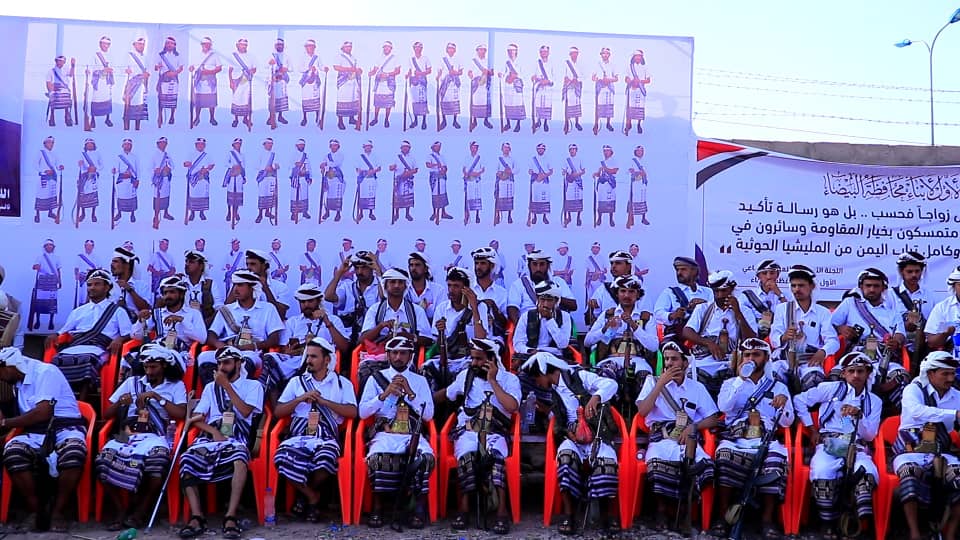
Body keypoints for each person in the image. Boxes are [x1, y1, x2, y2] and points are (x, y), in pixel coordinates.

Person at [520, 352, 619, 535]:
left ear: (544, 372)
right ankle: (569, 513)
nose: (537, 383)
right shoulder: (554, 391)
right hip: (572, 437)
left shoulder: (579, 376)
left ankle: (607, 515)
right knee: (565, 456)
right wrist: (546, 412)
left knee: (606, 461)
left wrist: (596, 397)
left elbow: (611, 384)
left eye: (537, 378)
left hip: (596, 434)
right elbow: (560, 418)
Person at [97, 344, 187, 530]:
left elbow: (181, 413)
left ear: (164, 366)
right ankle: (121, 510)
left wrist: (156, 397)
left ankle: (140, 511)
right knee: (103, 460)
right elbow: (106, 414)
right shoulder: (132, 382)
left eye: (153, 367)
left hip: (157, 434)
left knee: (157, 464)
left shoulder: (176, 385)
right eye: (146, 367)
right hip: (127, 433)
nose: (149, 371)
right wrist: (121, 403)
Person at [434, 338, 520, 534]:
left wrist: (493, 381)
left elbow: (512, 407)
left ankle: (502, 512)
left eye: (479, 359)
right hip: (468, 432)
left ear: (492, 360)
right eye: (472, 358)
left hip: (495, 433)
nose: (474, 363)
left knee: (496, 459)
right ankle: (464, 509)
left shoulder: (510, 380)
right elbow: (446, 394)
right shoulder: (466, 376)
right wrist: (421, 398)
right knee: (467, 457)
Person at [712, 338, 795, 539]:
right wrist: (740, 380)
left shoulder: (778, 387)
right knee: (724, 455)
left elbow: (787, 422)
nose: (750, 358)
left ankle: (767, 519)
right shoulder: (730, 383)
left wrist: (783, 405)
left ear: (765, 358)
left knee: (776, 461)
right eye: (747, 355)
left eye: (756, 355)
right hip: (736, 439)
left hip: (766, 439)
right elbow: (724, 407)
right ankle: (723, 516)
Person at [178, 347, 264, 540]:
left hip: (238, 435)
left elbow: (246, 411)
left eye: (226, 363)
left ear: (238, 363)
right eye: (219, 363)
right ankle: (197, 517)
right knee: (187, 459)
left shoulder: (253, 385)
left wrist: (226, 386)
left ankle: (230, 516)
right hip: (211, 435)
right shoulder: (210, 387)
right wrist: (213, 432)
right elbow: (197, 418)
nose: (222, 367)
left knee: (240, 459)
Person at [0, 347, 89, 533]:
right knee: (13, 452)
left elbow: (43, 413)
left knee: (73, 452)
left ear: (9, 367)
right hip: (35, 432)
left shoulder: (45, 372)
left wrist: (5, 423)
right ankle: (36, 511)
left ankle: (58, 511)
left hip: (65, 427)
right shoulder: (16, 381)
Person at [793, 351, 881, 539]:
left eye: (861, 371)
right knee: (822, 469)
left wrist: (859, 416)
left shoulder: (874, 401)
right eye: (851, 371)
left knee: (867, 471)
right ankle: (828, 523)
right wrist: (812, 428)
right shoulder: (830, 389)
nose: (856, 375)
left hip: (856, 446)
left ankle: (855, 522)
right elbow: (799, 400)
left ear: (868, 373)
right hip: (829, 444)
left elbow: (870, 435)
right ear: (843, 373)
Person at [635, 341, 720, 531]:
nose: (669, 363)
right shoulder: (652, 381)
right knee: (657, 463)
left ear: (685, 362)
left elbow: (713, 418)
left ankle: (683, 511)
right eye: (666, 359)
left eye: (674, 359)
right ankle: (661, 511)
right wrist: (660, 384)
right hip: (661, 437)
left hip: (686, 438)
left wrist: (694, 427)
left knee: (702, 466)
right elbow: (643, 411)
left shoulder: (696, 387)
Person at [274, 337, 357, 522]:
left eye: (313, 357)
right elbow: (278, 411)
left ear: (327, 360)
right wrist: (299, 399)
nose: (308, 360)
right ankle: (312, 496)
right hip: (299, 434)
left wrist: (324, 402)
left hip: (326, 435)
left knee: (325, 460)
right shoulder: (297, 382)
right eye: (308, 356)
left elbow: (353, 412)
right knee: (282, 457)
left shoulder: (342, 383)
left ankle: (304, 495)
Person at [359, 336, 435, 529]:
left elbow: (428, 415)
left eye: (403, 353)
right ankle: (378, 507)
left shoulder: (419, 381)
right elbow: (363, 412)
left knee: (425, 458)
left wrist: (410, 393)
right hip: (385, 434)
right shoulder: (375, 379)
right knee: (377, 458)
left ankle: (418, 509)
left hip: (411, 434)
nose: (398, 357)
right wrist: (384, 394)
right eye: (394, 353)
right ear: (388, 355)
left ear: (410, 356)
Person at [893, 351, 960, 540]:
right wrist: (953, 414)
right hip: (910, 450)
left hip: (942, 451)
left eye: (952, 374)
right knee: (909, 472)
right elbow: (917, 412)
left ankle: (950, 533)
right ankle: (914, 532)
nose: (950, 379)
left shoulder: (957, 396)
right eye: (945, 374)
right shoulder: (913, 390)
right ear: (930, 374)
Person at [830, 268, 908, 413]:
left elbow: (900, 334)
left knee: (900, 377)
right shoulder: (850, 303)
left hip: (883, 357)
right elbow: (831, 324)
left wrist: (895, 341)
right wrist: (842, 329)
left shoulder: (892, 312)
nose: (872, 289)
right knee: (836, 375)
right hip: (855, 356)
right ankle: (843, 418)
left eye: (876, 286)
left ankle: (889, 416)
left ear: (883, 288)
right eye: (868, 285)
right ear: (861, 287)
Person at [260, 283, 349, 406]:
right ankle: (276, 408)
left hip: (321, 362)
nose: (306, 305)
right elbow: (284, 350)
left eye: (310, 301)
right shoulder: (293, 322)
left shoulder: (333, 320)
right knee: (269, 359)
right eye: (302, 302)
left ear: (319, 301)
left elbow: (344, 348)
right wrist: (291, 351)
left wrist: (327, 321)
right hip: (295, 361)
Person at [47, 269, 131, 397]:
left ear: (107, 288)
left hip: (101, 348)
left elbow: (128, 333)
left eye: (97, 284)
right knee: (57, 360)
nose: (92, 288)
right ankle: (58, 399)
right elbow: (63, 331)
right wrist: (55, 335)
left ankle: (82, 401)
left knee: (88, 359)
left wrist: (119, 339)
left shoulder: (118, 311)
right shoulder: (78, 311)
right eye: (89, 285)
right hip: (77, 346)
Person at [197, 269, 284, 385]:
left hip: (252, 352)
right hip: (227, 349)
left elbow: (274, 339)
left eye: (240, 285)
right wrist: (220, 345)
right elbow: (211, 335)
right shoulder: (226, 309)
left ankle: (237, 393)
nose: (235, 289)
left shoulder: (268, 308)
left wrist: (252, 346)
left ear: (252, 288)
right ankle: (215, 391)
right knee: (204, 356)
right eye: (234, 285)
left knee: (245, 361)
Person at [585, 275, 658, 412]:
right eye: (623, 291)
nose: (626, 295)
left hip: (638, 361)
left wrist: (634, 326)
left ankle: (640, 418)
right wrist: (606, 328)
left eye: (631, 292)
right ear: (617, 294)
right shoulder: (607, 315)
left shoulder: (646, 317)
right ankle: (608, 417)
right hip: (611, 359)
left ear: (638, 294)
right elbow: (587, 342)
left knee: (644, 379)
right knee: (605, 376)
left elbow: (653, 346)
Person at [682, 270, 758, 398]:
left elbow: (752, 340)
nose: (719, 295)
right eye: (716, 291)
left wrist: (738, 313)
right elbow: (687, 331)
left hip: (732, 363)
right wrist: (709, 343)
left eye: (723, 291)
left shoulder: (745, 311)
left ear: (732, 290)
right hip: (703, 362)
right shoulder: (703, 308)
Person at [769, 264, 840, 392]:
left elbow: (833, 341)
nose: (797, 289)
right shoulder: (782, 309)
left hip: (810, 361)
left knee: (814, 381)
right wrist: (784, 337)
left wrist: (823, 352)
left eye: (801, 285)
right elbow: (774, 338)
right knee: (772, 378)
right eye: (794, 286)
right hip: (784, 360)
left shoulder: (822, 312)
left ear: (811, 286)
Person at [422, 268, 490, 392]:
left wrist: (474, 308)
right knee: (427, 369)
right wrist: (441, 332)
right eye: (449, 285)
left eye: (456, 286)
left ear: (466, 288)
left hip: (470, 358)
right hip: (447, 357)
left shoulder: (480, 307)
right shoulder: (442, 308)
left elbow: (481, 339)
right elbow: (438, 344)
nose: (451, 290)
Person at [359, 268, 433, 352]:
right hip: (380, 355)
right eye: (393, 282)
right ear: (385, 286)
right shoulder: (375, 309)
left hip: (409, 356)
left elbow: (428, 340)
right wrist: (381, 326)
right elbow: (362, 340)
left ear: (405, 286)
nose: (397, 285)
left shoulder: (417, 310)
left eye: (400, 282)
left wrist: (407, 336)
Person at [512, 281, 573, 371]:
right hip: (532, 356)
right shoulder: (526, 316)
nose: (545, 304)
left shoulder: (565, 317)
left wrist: (550, 320)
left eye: (549, 300)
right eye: (542, 300)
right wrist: (530, 350)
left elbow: (563, 344)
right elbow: (518, 343)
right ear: (538, 299)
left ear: (556, 301)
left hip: (555, 357)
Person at [324, 251, 381, 346]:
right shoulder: (348, 286)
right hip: (348, 339)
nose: (359, 272)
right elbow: (328, 297)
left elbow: (386, 298)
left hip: (372, 339)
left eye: (364, 268)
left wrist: (378, 271)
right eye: (357, 268)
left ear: (371, 268)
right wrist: (340, 273)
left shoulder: (380, 287)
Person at [654, 256, 714, 345]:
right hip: (677, 337)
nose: (679, 273)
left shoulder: (708, 292)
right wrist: (672, 315)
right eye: (677, 270)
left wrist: (703, 305)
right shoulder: (669, 292)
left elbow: (716, 311)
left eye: (683, 269)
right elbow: (658, 314)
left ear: (694, 271)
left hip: (704, 336)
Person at [507, 249, 577, 324]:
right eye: (535, 264)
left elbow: (573, 306)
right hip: (529, 325)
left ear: (548, 266)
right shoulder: (519, 284)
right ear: (529, 266)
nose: (538, 268)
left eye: (542, 264)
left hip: (555, 325)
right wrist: (520, 326)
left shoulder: (558, 282)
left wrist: (554, 296)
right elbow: (512, 307)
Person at [889, 252, 934, 362]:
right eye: (909, 271)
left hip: (924, 349)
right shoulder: (890, 295)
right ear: (901, 271)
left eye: (917, 271)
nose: (914, 275)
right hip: (898, 349)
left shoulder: (930, 295)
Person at [585, 249, 639, 325]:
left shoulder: (640, 289)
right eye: (612, 263)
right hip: (608, 331)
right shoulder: (603, 289)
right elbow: (589, 318)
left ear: (628, 266)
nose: (613, 266)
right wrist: (592, 308)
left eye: (618, 263)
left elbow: (645, 318)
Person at [471, 246, 509, 339]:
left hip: (494, 341)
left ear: (492, 265)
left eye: (483, 263)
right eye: (476, 263)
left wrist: (494, 307)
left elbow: (506, 324)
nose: (478, 267)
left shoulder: (502, 293)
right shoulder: (467, 290)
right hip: (469, 341)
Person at [924, 265, 960, 354]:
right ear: (953, 286)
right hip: (951, 357)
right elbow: (931, 343)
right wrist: (945, 334)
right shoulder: (942, 308)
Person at [183, 249, 223, 328]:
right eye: (186, 261)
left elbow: (219, 307)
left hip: (206, 326)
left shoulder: (210, 284)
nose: (187, 264)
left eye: (191, 262)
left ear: (201, 266)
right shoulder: (180, 284)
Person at [109, 246, 151, 318]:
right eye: (112, 261)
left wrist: (130, 290)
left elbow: (145, 309)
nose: (111, 265)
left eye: (115, 261)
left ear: (127, 265)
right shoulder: (109, 286)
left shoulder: (141, 286)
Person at [189, 37, 222, 127]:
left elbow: (219, 68)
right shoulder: (197, 55)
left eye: (208, 44)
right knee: (198, 101)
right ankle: (197, 118)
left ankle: (212, 118)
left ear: (210, 45)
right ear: (201, 45)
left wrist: (209, 72)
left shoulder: (215, 56)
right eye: (204, 44)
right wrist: (191, 68)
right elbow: (192, 66)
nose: (206, 46)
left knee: (211, 101)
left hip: (210, 81)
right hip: (199, 81)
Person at [30, 239, 62, 331]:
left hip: (52, 280)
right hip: (42, 280)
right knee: (39, 301)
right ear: (44, 247)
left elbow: (58, 270)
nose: (49, 246)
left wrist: (60, 281)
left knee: (52, 302)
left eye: (50, 245)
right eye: (47, 245)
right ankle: (38, 321)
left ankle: (51, 322)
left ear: (53, 247)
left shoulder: (57, 258)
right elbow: (34, 266)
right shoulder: (40, 257)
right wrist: (36, 267)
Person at [368, 41, 400, 128]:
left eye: (388, 47)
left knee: (388, 103)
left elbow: (398, 71)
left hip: (389, 83)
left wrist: (387, 74)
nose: (386, 48)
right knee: (377, 103)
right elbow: (375, 69)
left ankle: (386, 120)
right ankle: (375, 119)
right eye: (384, 47)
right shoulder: (379, 58)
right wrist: (371, 73)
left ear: (391, 48)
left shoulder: (395, 58)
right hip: (379, 83)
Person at [296, 39, 327, 126]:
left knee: (316, 100)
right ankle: (304, 118)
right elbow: (300, 68)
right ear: (306, 48)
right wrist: (308, 68)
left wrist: (324, 68)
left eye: (312, 47)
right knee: (305, 100)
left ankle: (317, 117)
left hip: (315, 81)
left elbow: (321, 66)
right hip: (306, 81)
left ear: (314, 47)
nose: (310, 48)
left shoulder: (317, 57)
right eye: (308, 47)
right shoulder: (302, 57)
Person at [122, 37, 150, 131]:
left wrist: (146, 75)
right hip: (131, 85)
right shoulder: (129, 56)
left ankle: (137, 129)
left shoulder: (145, 57)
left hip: (141, 86)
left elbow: (148, 71)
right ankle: (126, 129)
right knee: (128, 107)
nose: (142, 46)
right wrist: (126, 70)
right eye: (139, 44)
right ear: (134, 44)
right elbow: (122, 69)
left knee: (139, 107)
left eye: (143, 44)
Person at [154, 36, 183, 127]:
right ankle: (160, 116)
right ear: (165, 45)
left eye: (171, 43)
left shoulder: (178, 55)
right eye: (168, 43)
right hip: (163, 79)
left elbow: (181, 68)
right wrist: (157, 67)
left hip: (174, 79)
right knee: (161, 99)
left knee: (173, 99)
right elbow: (155, 67)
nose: (169, 45)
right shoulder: (160, 55)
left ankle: (172, 116)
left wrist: (174, 73)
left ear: (174, 45)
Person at [227, 38, 256, 129]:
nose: (243, 46)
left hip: (246, 80)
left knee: (246, 99)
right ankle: (236, 119)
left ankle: (245, 118)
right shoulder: (233, 56)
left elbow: (254, 68)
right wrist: (231, 81)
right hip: (236, 79)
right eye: (242, 45)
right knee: (236, 99)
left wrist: (251, 71)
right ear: (237, 45)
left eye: (245, 45)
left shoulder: (251, 56)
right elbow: (230, 70)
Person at [88, 36, 116, 128]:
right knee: (96, 98)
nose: (105, 45)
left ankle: (107, 118)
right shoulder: (95, 55)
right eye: (104, 43)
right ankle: (93, 120)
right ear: (100, 44)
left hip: (107, 81)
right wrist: (102, 70)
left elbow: (114, 67)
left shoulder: (111, 56)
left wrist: (110, 70)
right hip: (98, 81)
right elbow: (92, 68)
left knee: (107, 98)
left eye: (107, 44)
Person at [34, 136, 64, 223]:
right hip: (43, 178)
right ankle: (37, 215)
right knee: (41, 196)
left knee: (51, 195)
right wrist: (44, 171)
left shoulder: (54, 154)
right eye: (49, 142)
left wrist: (60, 166)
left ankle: (50, 213)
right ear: (45, 143)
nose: (51, 144)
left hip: (53, 178)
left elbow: (57, 164)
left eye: (52, 142)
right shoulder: (40, 153)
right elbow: (35, 164)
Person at [333, 41, 362, 130]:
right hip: (343, 82)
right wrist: (350, 69)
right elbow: (336, 67)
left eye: (350, 47)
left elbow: (356, 68)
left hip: (353, 81)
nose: (349, 48)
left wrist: (359, 70)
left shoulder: (353, 57)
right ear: (343, 48)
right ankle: (340, 121)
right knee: (343, 99)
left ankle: (351, 119)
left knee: (353, 99)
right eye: (347, 47)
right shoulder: (339, 56)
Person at [183, 137, 212, 222]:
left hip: (203, 178)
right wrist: (187, 164)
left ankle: (202, 213)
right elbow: (185, 163)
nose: (201, 146)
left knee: (203, 195)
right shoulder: (191, 154)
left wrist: (206, 169)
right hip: (194, 179)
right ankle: (192, 213)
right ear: (196, 145)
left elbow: (212, 165)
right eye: (199, 144)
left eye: (202, 145)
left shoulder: (207, 155)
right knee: (193, 195)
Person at [388, 141, 418, 224]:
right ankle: (396, 214)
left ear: (409, 148)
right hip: (399, 180)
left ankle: (407, 214)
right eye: (404, 147)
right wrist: (392, 167)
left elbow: (416, 169)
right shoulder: (396, 157)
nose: (405, 149)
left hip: (408, 180)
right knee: (397, 198)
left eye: (407, 147)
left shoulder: (412, 158)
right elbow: (390, 168)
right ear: (401, 148)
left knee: (408, 198)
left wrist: (409, 173)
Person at [150, 136, 175, 228]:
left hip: (166, 179)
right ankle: (156, 216)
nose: (163, 145)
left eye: (165, 144)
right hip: (158, 180)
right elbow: (149, 168)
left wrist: (169, 168)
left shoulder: (168, 155)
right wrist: (155, 171)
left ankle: (166, 213)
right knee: (157, 198)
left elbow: (173, 166)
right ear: (158, 144)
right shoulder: (154, 156)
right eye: (161, 143)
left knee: (166, 196)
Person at [591, 47, 618, 134]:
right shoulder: (597, 64)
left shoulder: (613, 65)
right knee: (598, 107)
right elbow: (593, 77)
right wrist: (599, 79)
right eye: (603, 53)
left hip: (609, 88)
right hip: (600, 88)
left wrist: (609, 80)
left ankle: (608, 123)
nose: (605, 55)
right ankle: (596, 124)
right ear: (601, 55)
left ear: (609, 55)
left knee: (609, 106)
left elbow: (616, 78)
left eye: (607, 53)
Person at [406, 252, 439, 322]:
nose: (413, 268)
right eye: (411, 265)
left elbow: (441, 317)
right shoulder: (404, 289)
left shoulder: (438, 290)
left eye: (417, 265)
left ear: (426, 269)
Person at [468, 43, 494, 131]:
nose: (482, 51)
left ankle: (486, 121)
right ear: (477, 51)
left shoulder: (488, 61)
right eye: (480, 50)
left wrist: (488, 72)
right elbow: (469, 72)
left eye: (483, 50)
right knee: (475, 102)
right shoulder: (473, 61)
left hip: (485, 85)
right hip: (476, 84)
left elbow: (492, 73)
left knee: (485, 103)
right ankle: (474, 121)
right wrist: (471, 75)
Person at [76, 138, 104, 224]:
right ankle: (83, 214)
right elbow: (80, 165)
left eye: (91, 144)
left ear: (94, 145)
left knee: (93, 195)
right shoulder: (82, 154)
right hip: (84, 176)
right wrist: (81, 165)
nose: (90, 145)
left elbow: (102, 165)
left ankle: (93, 214)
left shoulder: (98, 154)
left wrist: (95, 168)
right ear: (85, 145)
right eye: (88, 144)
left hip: (93, 177)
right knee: (83, 195)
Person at [623, 50, 650, 135]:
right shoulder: (629, 67)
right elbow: (626, 78)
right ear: (633, 57)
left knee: (640, 108)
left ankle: (639, 125)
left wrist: (639, 81)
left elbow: (648, 80)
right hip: (631, 89)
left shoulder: (645, 67)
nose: (638, 58)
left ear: (642, 57)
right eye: (636, 56)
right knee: (630, 107)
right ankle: (629, 124)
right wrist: (630, 80)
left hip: (640, 90)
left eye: (639, 56)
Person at [437, 42, 463, 130]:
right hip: (445, 83)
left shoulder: (458, 59)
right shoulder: (442, 59)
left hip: (454, 83)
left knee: (455, 101)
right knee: (444, 101)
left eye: (452, 48)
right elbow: (440, 71)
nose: (451, 50)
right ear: (447, 50)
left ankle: (455, 121)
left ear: (455, 50)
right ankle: (444, 121)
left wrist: (455, 72)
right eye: (449, 48)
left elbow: (461, 72)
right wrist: (437, 76)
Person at [266, 38, 290, 127]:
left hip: (282, 81)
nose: (279, 46)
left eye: (281, 45)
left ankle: (280, 116)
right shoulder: (271, 55)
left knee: (281, 98)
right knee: (272, 98)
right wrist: (270, 63)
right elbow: (265, 66)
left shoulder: (286, 56)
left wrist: (285, 69)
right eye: (278, 45)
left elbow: (290, 68)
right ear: (275, 46)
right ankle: (271, 117)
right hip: (272, 80)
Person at [319, 139, 346, 222]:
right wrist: (322, 166)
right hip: (328, 177)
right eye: (332, 145)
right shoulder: (326, 156)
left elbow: (336, 164)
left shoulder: (340, 155)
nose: (333, 147)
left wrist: (326, 164)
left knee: (337, 195)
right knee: (328, 195)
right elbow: (323, 163)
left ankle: (338, 214)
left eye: (335, 145)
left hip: (337, 178)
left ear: (338, 147)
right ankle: (327, 212)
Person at [501, 44, 525, 133]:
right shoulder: (506, 62)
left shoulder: (520, 62)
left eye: (513, 50)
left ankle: (518, 125)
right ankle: (508, 124)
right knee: (508, 104)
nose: (511, 52)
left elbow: (523, 74)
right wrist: (501, 74)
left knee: (518, 104)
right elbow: (503, 72)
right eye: (509, 51)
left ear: (516, 51)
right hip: (508, 86)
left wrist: (515, 77)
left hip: (517, 86)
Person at [254, 138, 279, 225]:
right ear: (264, 144)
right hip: (263, 177)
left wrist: (273, 167)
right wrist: (265, 168)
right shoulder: (260, 154)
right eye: (268, 143)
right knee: (262, 194)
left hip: (271, 177)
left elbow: (277, 165)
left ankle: (268, 212)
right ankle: (260, 214)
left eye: (271, 144)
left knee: (270, 194)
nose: (270, 145)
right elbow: (256, 165)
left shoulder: (274, 154)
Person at [354, 140, 381, 222]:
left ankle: (371, 213)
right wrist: (360, 171)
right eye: (366, 146)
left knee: (371, 195)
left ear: (371, 147)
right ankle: (361, 213)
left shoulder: (375, 156)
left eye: (369, 146)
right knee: (362, 195)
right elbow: (357, 168)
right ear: (364, 147)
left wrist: (373, 171)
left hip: (371, 178)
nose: (367, 148)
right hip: (363, 179)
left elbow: (379, 168)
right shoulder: (360, 156)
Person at [407, 41, 432, 130]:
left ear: (421, 49)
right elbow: (410, 70)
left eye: (419, 47)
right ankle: (415, 120)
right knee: (415, 101)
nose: (417, 49)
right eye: (416, 47)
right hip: (414, 82)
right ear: (414, 49)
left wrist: (421, 73)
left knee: (423, 101)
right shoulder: (411, 59)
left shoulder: (425, 58)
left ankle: (424, 121)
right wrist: (407, 75)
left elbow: (429, 70)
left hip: (422, 82)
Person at [222, 138, 247, 225]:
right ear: (233, 145)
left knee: (238, 194)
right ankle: (229, 212)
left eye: (240, 144)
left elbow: (244, 166)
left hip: (239, 175)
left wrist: (242, 174)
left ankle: (236, 212)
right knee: (231, 193)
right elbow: (225, 163)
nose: (238, 145)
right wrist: (233, 166)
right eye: (237, 144)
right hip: (232, 174)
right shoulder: (230, 153)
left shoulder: (242, 155)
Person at [425, 141, 452, 221]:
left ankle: (443, 212)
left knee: (443, 194)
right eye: (437, 146)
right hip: (434, 177)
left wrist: (444, 170)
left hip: (442, 176)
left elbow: (445, 166)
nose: (438, 148)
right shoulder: (430, 156)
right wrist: (436, 165)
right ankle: (434, 213)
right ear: (433, 147)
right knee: (435, 194)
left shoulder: (442, 156)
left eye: (439, 146)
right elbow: (427, 165)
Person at [592, 145, 618, 227]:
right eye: (604, 151)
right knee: (601, 202)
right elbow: (599, 173)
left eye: (607, 151)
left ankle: (611, 219)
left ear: (611, 152)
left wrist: (606, 169)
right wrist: (596, 174)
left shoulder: (613, 161)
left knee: (610, 202)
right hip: (602, 185)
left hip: (610, 184)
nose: (606, 152)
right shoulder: (602, 162)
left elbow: (615, 171)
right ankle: (599, 218)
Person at [561, 143, 586, 227]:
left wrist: (577, 174)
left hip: (578, 182)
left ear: (576, 150)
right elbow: (564, 170)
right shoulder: (566, 160)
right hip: (570, 182)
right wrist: (564, 172)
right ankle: (569, 217)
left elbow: (583, 171)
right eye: (570, 149)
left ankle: (578, 218)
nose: (572, 151)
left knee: (578, 199)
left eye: (573, 149)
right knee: (568, 199)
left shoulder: (580, 159)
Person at [527, 143, 553, 225]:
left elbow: (551, 171)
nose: (540, 150)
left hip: (544, 180)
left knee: (544, 198)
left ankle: (545, 217)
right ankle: (534, 217)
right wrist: (535, 174)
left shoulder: (548, 159)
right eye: (539, 149)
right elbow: (529, 170)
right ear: (537, 150)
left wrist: (544, 176)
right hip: (535, 180)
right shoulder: (533, 159)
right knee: (535, 198)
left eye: (542, 149)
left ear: (544, 150)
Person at [46, 56, 75, 127]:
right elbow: (48, 83)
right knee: (53, 99)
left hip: (64, 89)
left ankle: (67, 116)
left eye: (62, 61)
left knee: (66, 98)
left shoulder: (65, 70)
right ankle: (52, 117)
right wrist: (51, 90)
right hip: (54, 90)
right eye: (59, 61)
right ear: (56, 61)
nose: (61, 63)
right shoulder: (51, 71)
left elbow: (71, 74)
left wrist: (73, 65)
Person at [532, 45, 555, 133]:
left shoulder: (552, 63)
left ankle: (545, 123)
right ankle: (538, 121)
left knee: (547, 105)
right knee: (538, 104)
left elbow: (554, 76)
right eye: (542, 52)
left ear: (548, 53)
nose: (543, 53)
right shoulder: (536, 63)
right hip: (539, 87)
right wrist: (535, 78)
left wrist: (548, 81)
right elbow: (534, 74)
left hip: (548, 88)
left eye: (545, 52)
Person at [289, 138, 313, 221]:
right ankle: (293, 213)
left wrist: (310, 177)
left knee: (304, 195)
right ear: (296, 146)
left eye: (303, 145)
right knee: (294, 195)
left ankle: (304, 212)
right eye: (300, 145)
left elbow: (309, 166)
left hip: (304, 178)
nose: (302, 146)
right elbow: (289, 166)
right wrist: (295, 165)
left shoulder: (306, 155)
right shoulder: (293, 155)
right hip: (296, 178)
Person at [626, 145, 650, 227]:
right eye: (638, 151)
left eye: (641, 151)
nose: (640, 152)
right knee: (633, 200)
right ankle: (631, 219)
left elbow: (646, 172)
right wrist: (634, 172)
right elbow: (628, 170)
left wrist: (642, 173)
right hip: (635, 184)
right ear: (635, 152)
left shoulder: (645, 161)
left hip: (642, 184)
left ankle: (643, 218)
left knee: (643, 200)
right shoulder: (632, 161)